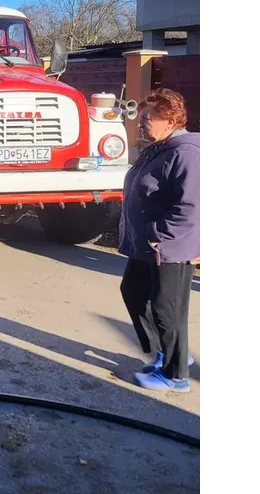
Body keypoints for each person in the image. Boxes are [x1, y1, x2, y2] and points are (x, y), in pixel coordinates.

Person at [118, 88, 200, 392]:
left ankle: (176, 375)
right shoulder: (160, 147)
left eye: (148, 117)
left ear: (171, 119)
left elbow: (192, 205)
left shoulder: (187, 152)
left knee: (168, 309)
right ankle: (167, 352)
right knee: (134, 292)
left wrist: (160, 236)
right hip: (147, 245)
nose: (142, 123)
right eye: (142, 117)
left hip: (171, 246)